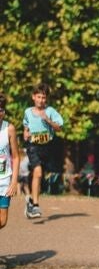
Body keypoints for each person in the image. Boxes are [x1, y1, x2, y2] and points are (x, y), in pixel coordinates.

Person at [23, 83, 64, 219]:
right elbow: (26, 127)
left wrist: (48, 120)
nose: (41, 100)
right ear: (33, 97)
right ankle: (35, 206)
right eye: (39, 97)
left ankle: (30, 201)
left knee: (39, 177)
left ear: (46, 98)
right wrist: (26, 133)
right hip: (33, 146)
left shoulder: (50, 111)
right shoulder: (28, 112)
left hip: (47, 147)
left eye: (44, 97)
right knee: (38, 172)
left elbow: (59, 128)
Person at [0, 94, 21, 231]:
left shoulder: (9, 129)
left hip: (4, 181)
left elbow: (16, 157)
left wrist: (14, 182)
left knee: (2, 221)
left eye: (1, 110)